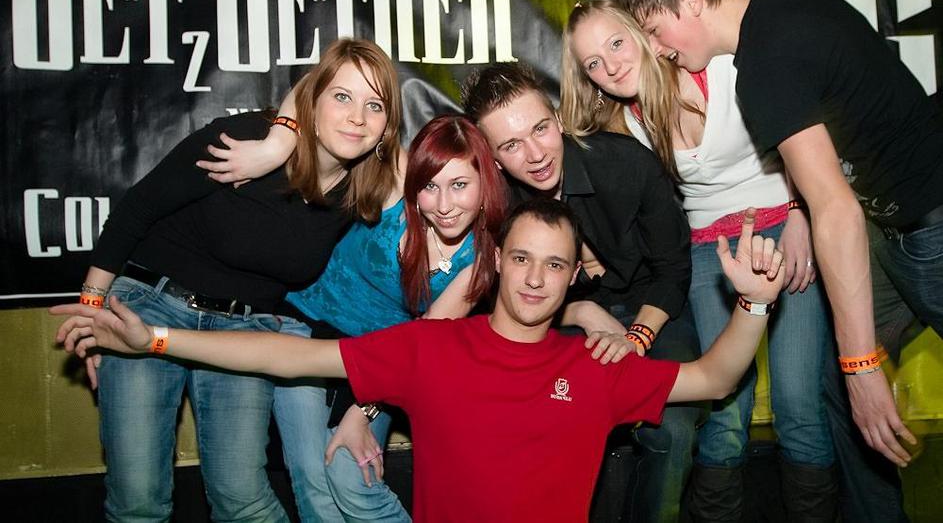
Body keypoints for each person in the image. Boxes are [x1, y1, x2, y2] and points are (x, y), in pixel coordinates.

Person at [56, 197, 788, 523]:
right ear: (495, 264)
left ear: (574, 278)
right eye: (521, 258)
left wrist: (752, 305)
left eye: (554, 264)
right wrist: (154, 340)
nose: (535, 279)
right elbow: (284, 354)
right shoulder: (434, 346)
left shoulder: (597, 365)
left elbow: (714, 377)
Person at [619, 0, 943, 520]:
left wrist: (862, 364)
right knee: (838, 389)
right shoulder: (791, 7)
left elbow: (835, 210)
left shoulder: (762, 64)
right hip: (893, 226)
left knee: (850, 375)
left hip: (932, 226)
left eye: (655, 30)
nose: (658, 49)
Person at [75, 38, 401, 522]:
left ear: (386, 126)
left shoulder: (363, 190)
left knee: (242, 498)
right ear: (313, 102)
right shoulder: (244, 139)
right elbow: (136, 209)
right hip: (149, 304)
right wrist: (92, 311)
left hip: (243, 330)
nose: (357, 117)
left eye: (374, 105)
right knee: (139, 498)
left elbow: (451, 167)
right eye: (342, 97)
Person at [560, 0, 835, 521]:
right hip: (711, 251)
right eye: (594, 62)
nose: (611, 66)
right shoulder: (625, 126)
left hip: (786, 228)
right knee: (726, 414)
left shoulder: (721, 65)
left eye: (617, 43)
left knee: (798, 408)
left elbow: (803, 131)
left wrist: (803, 213)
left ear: (641, 34)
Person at [460, 62, 699, 523]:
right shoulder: (496, 207)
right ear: (494, 158)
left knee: (673, 427)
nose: (535, 155)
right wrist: (583, 312)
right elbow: (498, 301)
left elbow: (672, 268)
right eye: (511, 145)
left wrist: (635, 340)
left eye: (540, 129)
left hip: (653, 307)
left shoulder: (624, 163)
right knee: (553, 419)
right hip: (557, 318)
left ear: (557, 117)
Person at [269, 115, 507, 522]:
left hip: (378, 358)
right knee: (312, 475)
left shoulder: (481, 261)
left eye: (459, 185)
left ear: (486, 182)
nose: (444, 205)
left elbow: (422, 342)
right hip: (304, 324)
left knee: (350, 477)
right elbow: (346, 99)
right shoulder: (397, 183)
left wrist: (362, 412)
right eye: (430, 186)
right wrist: (273, 142)